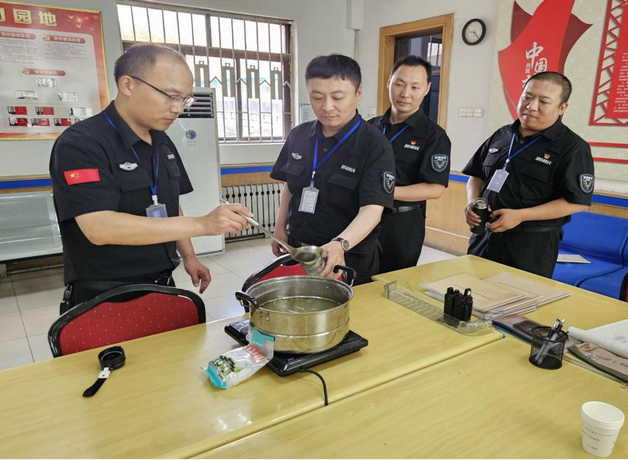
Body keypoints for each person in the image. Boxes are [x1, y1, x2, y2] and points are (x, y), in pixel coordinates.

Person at [50, 44, 251, 314]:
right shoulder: (82, 144)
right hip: (106, 295)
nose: (178, 108)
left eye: (185, 99)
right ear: (128, 84)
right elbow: (99, 227)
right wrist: (202, 224)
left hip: (161, 283)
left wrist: (189, 256)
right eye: (171, 96)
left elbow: (172, 205)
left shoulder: (161, 140)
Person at [270, 54, 396, 285]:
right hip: (299, 249)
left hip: (349, 256)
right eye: (317, 97)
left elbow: (372, 209)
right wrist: (279, 227)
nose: (327, 107)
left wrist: (340, 243)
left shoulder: (375, 145)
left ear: (358, 93)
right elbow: (290, 185)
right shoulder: (299, 135)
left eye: (338, 97)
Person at [462, 71, 594, 278]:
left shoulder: (573, 148)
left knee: (517, 298)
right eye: (527, 97)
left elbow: (578, 202)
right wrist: (472, 201)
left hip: (530, 246)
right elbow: (476, 174)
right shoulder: (502, 135)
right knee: (472, 289)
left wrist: (521, 215)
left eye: (544, 101)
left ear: (562, 108)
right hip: (484, 236)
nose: (531, 106)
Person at [369, 55, 451, 272]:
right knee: (358, 279)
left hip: (401, 224)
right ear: (389, 83)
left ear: (427, 89)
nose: (405, 94)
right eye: (399, 84)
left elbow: (435, 188)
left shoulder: (434, 136)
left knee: (392, 281)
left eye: (415, 87)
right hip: (363, 216)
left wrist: (384, 192)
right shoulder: (371, 127)